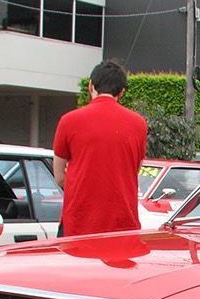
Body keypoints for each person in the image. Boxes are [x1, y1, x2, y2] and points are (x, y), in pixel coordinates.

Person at [53, 59, 148, 236]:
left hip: (78, 223)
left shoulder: (69, 121)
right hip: (122, 224)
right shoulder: (139, 124)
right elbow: (135, 169)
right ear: (121, 92)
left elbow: (59, 176)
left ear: (90, 86)